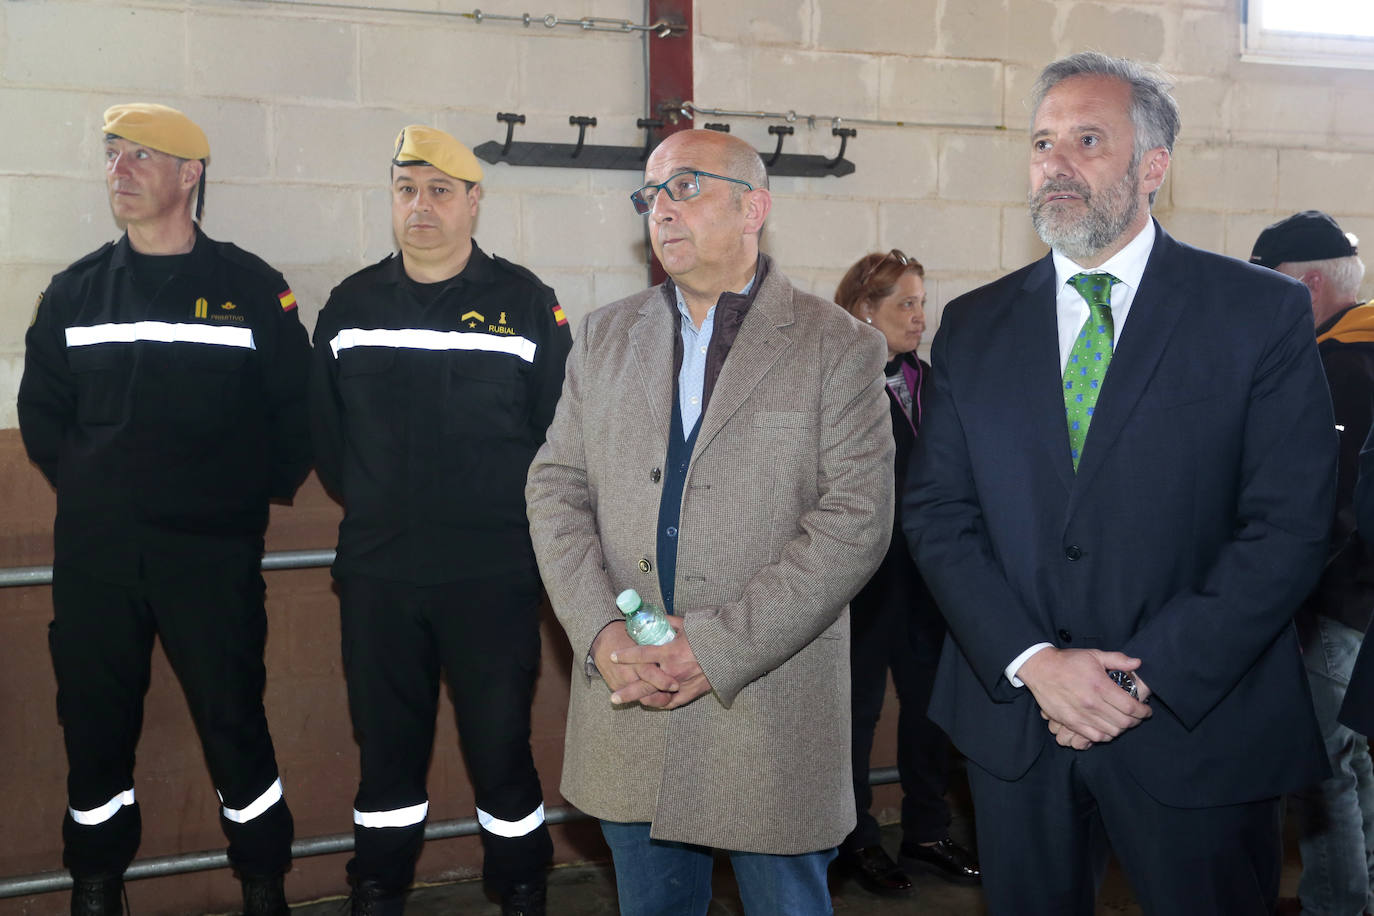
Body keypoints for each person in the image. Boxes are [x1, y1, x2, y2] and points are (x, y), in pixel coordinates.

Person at [904, 52, 1336, 915]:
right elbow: (938, 514)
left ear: (1153, 168)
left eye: (1087, 139)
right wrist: (1036, 663)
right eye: (1041, 143)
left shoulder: (1255, 313)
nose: (1055, 163)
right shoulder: (975, 325)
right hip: (1018, 724)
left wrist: (1143, 679)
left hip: (1196, 724)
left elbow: (1289, 527)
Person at [524, 128, 893, 915]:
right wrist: (600, 631)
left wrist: (716, 645)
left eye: (684, 187)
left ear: (753, 205)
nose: (660, 209)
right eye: (650, 195)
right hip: (632, 691)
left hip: (769, 696)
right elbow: (555, 488)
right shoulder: (603, 336)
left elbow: (856, 520)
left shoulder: (840, 347)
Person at [17, 103, 309, 916]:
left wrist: (239, 498)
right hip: (99, 558)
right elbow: (42, 412)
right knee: (95, 725)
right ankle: (96, 883)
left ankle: (263, 881)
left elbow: (298, 410)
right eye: (112, 155)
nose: (119, 170)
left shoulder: (251, 288)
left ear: (190, 176)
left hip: (210, 555)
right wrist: (96, 489)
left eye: (140, 156)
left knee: (233, 721)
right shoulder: (76, 291)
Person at [309, 125, 570, 916]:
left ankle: (522, 887)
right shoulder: (351, 304)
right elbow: (326, 437)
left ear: (473, 203)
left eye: (439, 191)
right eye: (405, 190)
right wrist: (385, 504)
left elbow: (558, 434)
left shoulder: (525, 303)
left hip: (492, 576)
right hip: (380, 575)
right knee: (386, 753)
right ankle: (378, 888)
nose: (419, 206)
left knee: (500, 749)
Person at [830, 250, 979, 897]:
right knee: (855, 715)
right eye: (905, 305)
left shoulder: (933, 382)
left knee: (930, 711)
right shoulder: (838, 385)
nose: (921, 317)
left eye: (922, 302)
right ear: (865, 312)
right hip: (863, 582)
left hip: (928, 581)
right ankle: (854, 840)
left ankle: (926, 830)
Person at [1249, 211, 1374, 916]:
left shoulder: (1338, 367)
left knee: (1322, 773)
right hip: (1364, 603)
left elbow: (1329, 505)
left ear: (1312, 285)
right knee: (1352, 761)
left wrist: (1283, 593)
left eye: (1274, 284)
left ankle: (1337, 907)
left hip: (1334, 601)